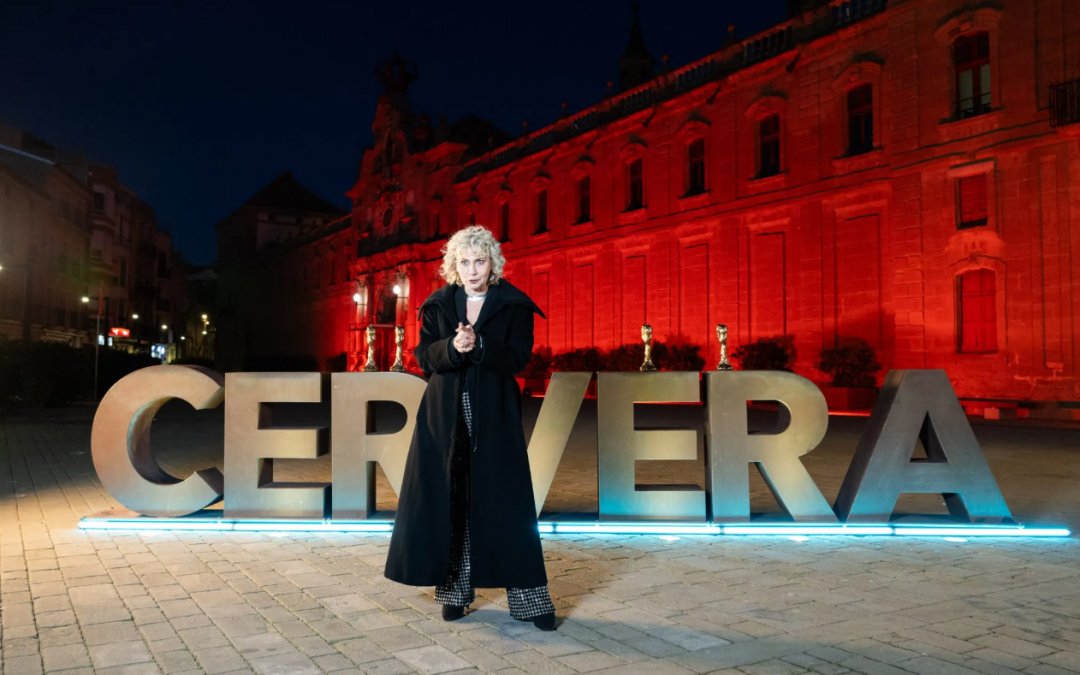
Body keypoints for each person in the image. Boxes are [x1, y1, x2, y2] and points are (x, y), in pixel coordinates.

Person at [384, 225, 556, 631]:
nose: (473, 269)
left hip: (494, 418)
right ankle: (456, 592)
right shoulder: (439, 304)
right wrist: (452, 347)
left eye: (480, 261)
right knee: (452, 499)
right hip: (444, 419)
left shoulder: (513, 305)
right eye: (465, 261)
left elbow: (518, 359)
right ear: (453, 266)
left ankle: (529, 598)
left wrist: (480, 346)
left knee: (507, 506)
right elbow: (425, 356)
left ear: (493, 263)